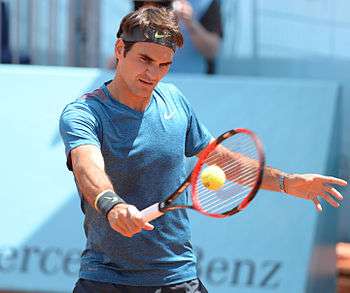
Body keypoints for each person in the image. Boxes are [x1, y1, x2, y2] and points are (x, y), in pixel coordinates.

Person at [59, 7, 347, 293]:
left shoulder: (173, 100)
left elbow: (221, 159)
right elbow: (88, 168)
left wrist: (287, 182)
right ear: (120, 49)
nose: (152, 74)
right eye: (144, 59)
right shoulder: (85, 112)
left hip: (177, 276)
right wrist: (112, 205)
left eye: (164, 65)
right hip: (106, 280)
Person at [108, 0, 222, 74]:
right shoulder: (140, 4)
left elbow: (212, 51)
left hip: (193, 84)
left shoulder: (206, 3)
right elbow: (116, 61)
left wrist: (191, 23)